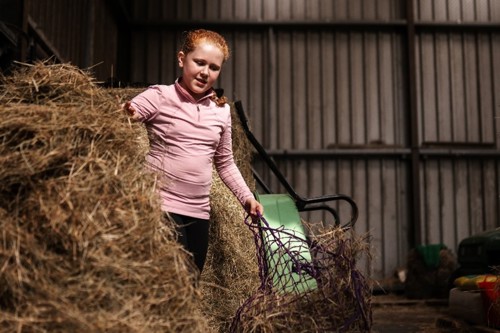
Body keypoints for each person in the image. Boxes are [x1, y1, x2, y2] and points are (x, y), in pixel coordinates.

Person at [123, 29, 263, 274]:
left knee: (191, 282)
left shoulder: (220, 112)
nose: (205, 72)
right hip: (161, 204)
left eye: (213, 67)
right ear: (181, 59)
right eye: (199, 62)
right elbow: (123, 116)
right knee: (177, 277)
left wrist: (247, 198)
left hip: (198, 211)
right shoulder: (160, 96)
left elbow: (226, 163)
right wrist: (128, 112)